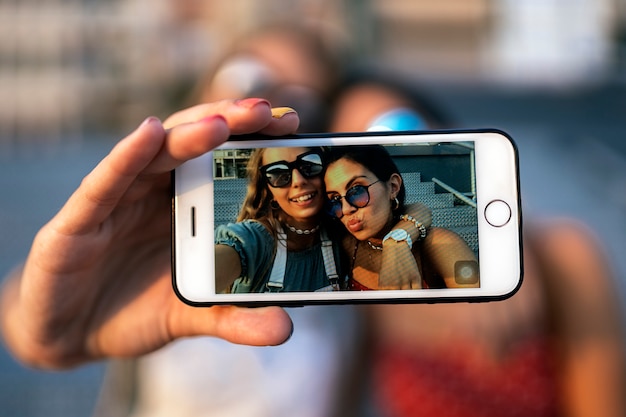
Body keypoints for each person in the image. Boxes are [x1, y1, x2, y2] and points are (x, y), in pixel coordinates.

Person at [327, 74, 626, 417]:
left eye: (396, 125)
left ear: (454, 134)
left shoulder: (562, 257)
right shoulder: (364, 295)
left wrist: (513, 237)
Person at [324, 144, 478, 290]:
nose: (346, 209)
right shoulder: (345, 245)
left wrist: (397, 242)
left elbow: (481, 311)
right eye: (335, 199)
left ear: (393, 187)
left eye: (357, 191)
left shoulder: (440, 244)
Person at [214, 146, 345, 293]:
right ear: (270, 192)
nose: (298, 181)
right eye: (278, 174)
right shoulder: (254, 240)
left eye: (309, 165)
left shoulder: (344, 236)